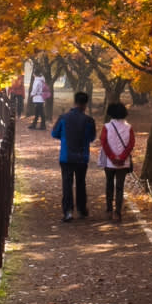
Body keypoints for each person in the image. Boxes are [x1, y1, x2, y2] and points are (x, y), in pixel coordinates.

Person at [52, 89, 98, 221]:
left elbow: (54, 133)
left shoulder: (63, 118)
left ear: (74, 102)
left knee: (67, 184)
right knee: (81, 183)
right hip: (82, 157)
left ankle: (68, 211)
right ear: (85, 104)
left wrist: (65, 138)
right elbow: (92, 137)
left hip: (66, 156)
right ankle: (82, 209)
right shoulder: (89, 120)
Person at [98, 100, 135, 217]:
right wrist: (122, 157)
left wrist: (113, 157)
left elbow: (104, 142)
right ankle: (118, 211)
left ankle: (109, 208)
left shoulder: (106, 127)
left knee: (109, 184)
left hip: (109, 162)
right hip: (123, 163)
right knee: (120, 187)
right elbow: (131, 144)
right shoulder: (129, 127)